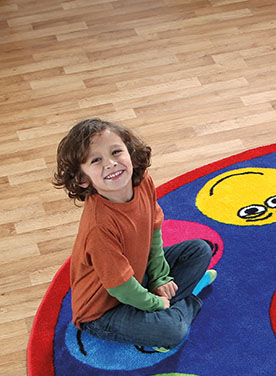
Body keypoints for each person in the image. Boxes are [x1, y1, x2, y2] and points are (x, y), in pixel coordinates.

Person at [53, 118, 216, 351]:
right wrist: (154, 304)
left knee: (199, 250)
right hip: (103, 310)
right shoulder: (99, 227)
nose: (110, 163)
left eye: (116, 152)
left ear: (129, 152)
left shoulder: (143, 183)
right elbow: (120, 288)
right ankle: (187, 301)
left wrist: (160, 277)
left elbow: (154, 231)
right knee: (172, 331)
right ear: (81, 179)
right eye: (96, 160)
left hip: (137, 276)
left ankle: (168, 303)